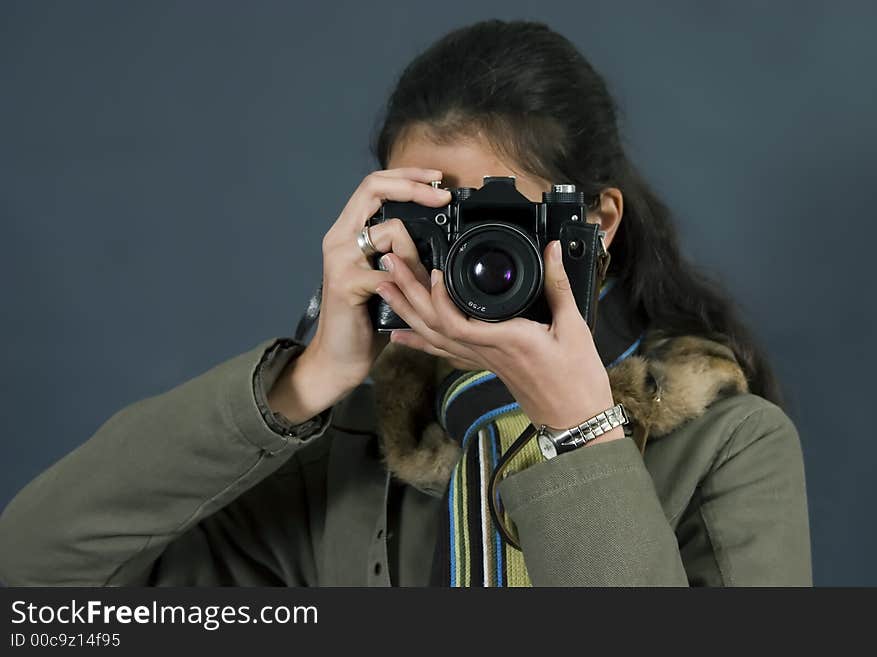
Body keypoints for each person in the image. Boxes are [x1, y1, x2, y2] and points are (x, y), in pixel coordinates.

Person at [0, 19, 811, 587]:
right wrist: (307, 379)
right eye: (437, 222)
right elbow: (32, 584)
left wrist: (582, 431)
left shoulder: (727, 448)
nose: (470, 262)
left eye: (501, 225)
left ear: (594, 222)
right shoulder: (350, 464)